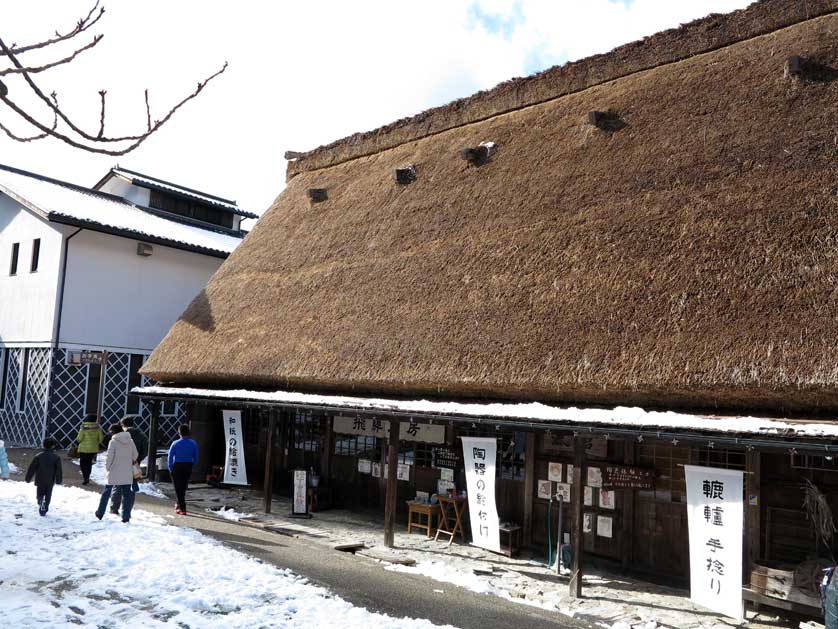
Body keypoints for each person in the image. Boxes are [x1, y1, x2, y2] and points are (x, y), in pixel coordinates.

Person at [95, 423, 138, 523]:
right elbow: (135, 455)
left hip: (114, 470)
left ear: (113, 432)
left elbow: (109, 457)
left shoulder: (113, 442)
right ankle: (126, 516)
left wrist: (108, 467)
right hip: (127, 471)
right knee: (127, 494)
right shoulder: (130, 441)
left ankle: (100, 513)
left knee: (107, 492)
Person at [109, 416, 148, 514]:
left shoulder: (118, 435)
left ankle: (114, 509)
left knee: (117, 487)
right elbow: (145, 450)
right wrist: (137, 460)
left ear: (122, 425)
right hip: (133, 464)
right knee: (130, 487)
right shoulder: (141, 435)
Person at [25, 438, 63, 516]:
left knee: (40, 493)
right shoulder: (56, 457)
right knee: (48, 494)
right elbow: (58, 470)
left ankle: (40, 500)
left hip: (40, 479)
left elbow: (32, 468)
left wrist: (28, 478)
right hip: (50, 480)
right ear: (53, 446)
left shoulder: (38, 456)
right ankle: (45, 507)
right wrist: (58, 480)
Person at [168, 424, 198, 515]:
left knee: (178, 488)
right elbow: (196, 457)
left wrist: (170, 468)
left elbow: (170, 457)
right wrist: (192, 466)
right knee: (183, 486)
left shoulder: (175, 443)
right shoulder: (193, 443)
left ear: (179, 432)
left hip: (177, 466)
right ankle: (178, 504)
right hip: (188, 466)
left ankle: (182, 508)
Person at [76, 414, 103, 485]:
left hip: (83, 449)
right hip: (93, 449)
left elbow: (79, 439)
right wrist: (95, 442)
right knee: (89, 463)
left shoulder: (83, 427)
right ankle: (87, 476)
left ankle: (85, 477)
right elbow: (101, 439)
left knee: (82, 463)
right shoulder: (98, 428)